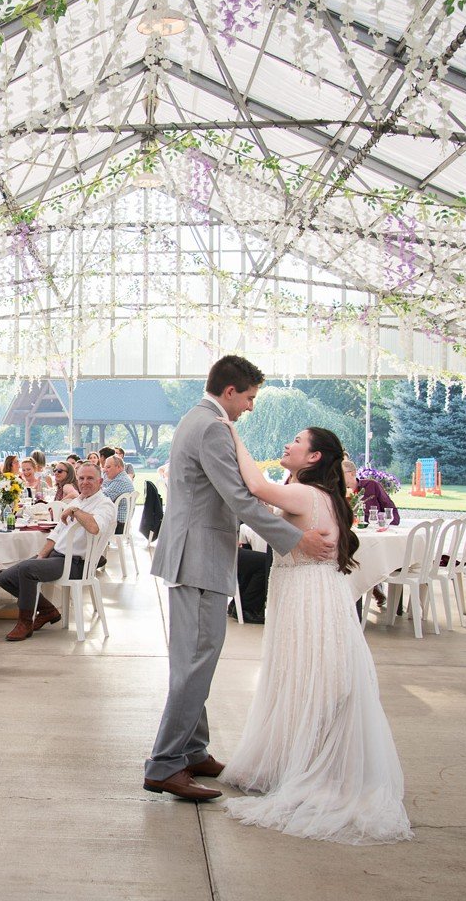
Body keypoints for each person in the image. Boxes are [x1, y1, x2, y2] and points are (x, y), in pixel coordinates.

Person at [144, 355, 331, 804]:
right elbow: (239, 498)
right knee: (196, 661)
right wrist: (295, 540)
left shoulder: (201, 417)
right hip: (200, 556)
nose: (250, 406)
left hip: (194, 552)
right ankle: (165, 763)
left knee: (194, 658)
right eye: (249, 397)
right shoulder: (211, 426)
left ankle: (192, 749)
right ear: (230, 391)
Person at [218, 424, 412, 844]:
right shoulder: (321, 495)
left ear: (314, 458)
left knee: (305, 675)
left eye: (297, 442)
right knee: (307, 675)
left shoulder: (306, 495)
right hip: (310, 593)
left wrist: (232, 434)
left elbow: (254, 484)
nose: (287, 444)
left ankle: (308, 767)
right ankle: (298, 758)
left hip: (307, 596)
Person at [0, 463, 116, 641]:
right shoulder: (79, 500)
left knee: (27, 570)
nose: (85, 482)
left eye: (90, 478)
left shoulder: (104, 504)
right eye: (81, 478)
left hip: (76, 563)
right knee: (4, 577)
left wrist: (74, 510)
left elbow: (94, 527)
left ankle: (25, 622)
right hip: (57, 557)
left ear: (100, 481)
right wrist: (41, 556)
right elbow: (56, 533)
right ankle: (47, 610)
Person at [342, 459, 398, 525]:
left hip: (373, 531)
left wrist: (386, 525)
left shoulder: (371, 486)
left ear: (353, 473)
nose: (338, 476)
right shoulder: (336, 492)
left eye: (341, 473)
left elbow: (390, 510)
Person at [100, 453, 135, 534]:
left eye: (108, 467)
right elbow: (104, 486)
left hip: (118, 525)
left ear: (119, 467)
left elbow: (101, 498)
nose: (105, 470)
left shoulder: (120, 481)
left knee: (88, 523)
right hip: (121, 523)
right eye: (105, 467)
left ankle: (96, 546)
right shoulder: (120, 478)